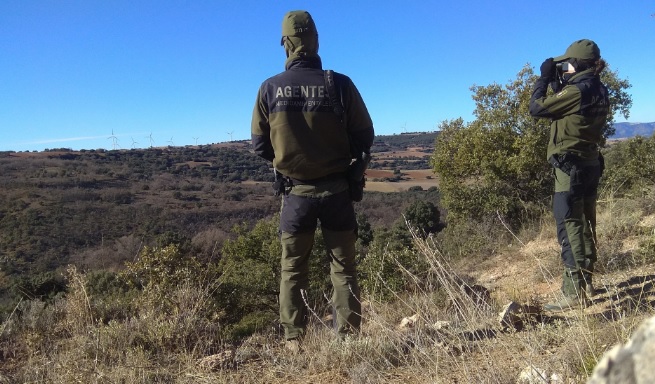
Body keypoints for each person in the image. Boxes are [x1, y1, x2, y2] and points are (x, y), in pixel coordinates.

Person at [251, 10, 375, 344]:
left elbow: (260, 145)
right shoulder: (340, 84)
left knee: (292, 271)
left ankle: (294, 342)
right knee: (344, 269)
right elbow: (365, 136)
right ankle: (348, 341)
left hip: (296, 196)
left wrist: (289, 160)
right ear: (316, 41)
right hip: (337, 193)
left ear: (286, 44)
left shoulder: (269, 88)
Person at [529, 39, 610, 312]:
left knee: (569, 224)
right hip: (590, 162)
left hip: (570, 168)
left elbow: (538, 108)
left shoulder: (577, 91)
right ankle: (588, 281)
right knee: (587, 221)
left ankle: (573, 291)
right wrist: (559, 83)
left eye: (567, 63)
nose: (564, 68)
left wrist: (543, 79)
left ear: (576, 63)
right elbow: (569, 108)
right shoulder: (598, 88)